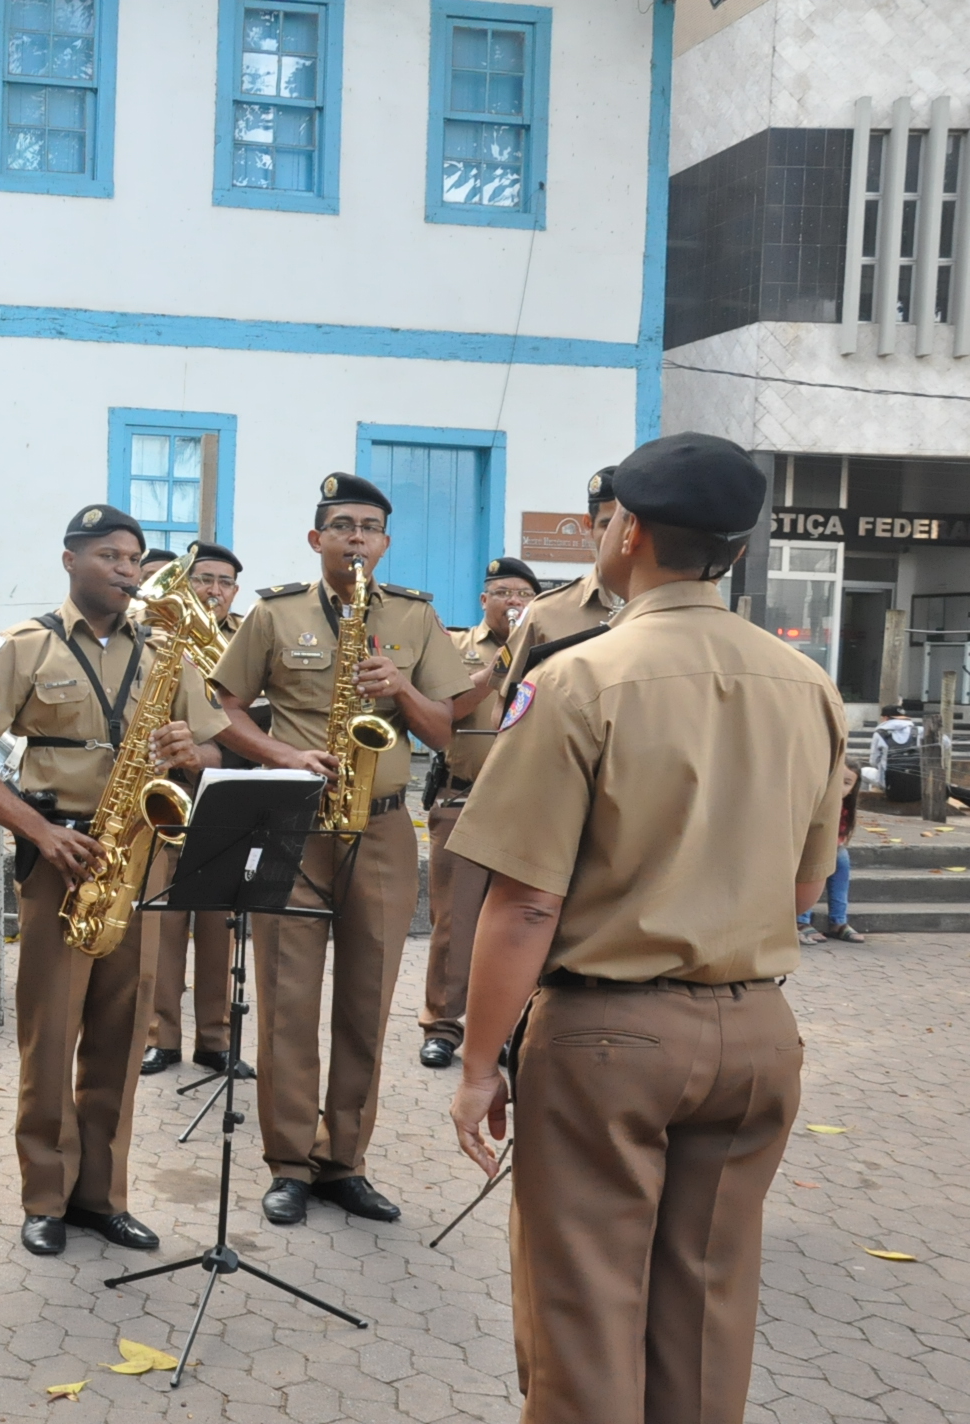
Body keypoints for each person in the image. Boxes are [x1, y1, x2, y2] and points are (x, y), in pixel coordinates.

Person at [447, 432, 844, 1424]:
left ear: (623, 532)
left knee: (582, 1315)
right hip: (755, 1032)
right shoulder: (808, 685)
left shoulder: (577, 678)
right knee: (705, 1312)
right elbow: (804, 887)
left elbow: (525, 900)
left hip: (606, 1036)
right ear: (734, 551)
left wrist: (477, 1060)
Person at [207, 473, 471, 1227]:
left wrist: (402, 688)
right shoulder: (274, 611)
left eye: (370, 527)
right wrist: (280, 754)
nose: (357, 537)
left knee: (365, 1001)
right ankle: (289, 1162)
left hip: (383, 826)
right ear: (316, 538)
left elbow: (445, 728)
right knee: (288, 999)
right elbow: (220, 707)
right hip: (292, 819)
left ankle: (345, 1161)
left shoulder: (417, 619)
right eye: (342, 525)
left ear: (385, 544)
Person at [0, 503, 229, 1256]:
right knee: (51, 1036)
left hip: (139, 856)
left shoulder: (167, 649)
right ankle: (44, 1195)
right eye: (109, 555)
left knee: (121, 1033)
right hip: (63, 855)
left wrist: (191, 752)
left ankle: (102, 1196)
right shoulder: (23, 649)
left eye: (133, 558)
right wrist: (40, 831)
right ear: (69, 560)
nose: (124, 569)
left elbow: (214, 754)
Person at [416, 556, 538, 1070]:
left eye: (522, 594)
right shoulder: (456, 649)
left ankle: (512, 1030)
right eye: (503, 592)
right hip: (462, 799)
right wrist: (503, 665)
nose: (513, 601)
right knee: (454, 922)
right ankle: (443, 1027)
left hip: (532, 808)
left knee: (522, 925)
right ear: (484, 600)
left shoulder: (558, 653)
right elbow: (449, 710)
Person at [141, 540, 246, 1078]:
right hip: (164, 796)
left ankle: (215, 1040)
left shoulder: (248, 641)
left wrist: (209, 755)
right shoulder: (151, 640)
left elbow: (265, 726)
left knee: (217, 924)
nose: (214, 590)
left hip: (224, 795)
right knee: (162, 919)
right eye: (203, 579)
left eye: (225, 581)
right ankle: (160, 1036)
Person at [502, 468, 622, 689]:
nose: (619, 535)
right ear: (588, 525)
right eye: (608, 525)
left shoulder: (670, 612)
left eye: (628, 524)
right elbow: (506, 708)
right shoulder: (545, 613)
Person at [798, 759, 863, 944]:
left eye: (847, 783)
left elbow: (839, 836)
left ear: (853, 789)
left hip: (828, 851)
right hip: (804, 850)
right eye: (837, 781)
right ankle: (801, 920)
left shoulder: (844, 809)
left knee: (841, 856)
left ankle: (838, 921)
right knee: (815, 856)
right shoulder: (814, 800)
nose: (840, 787)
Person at [869, 704, 924, 803]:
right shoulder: (920, 730)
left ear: (885, 718)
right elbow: (946, 742)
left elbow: (873, 761)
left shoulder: (879, 733)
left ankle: (866, 804)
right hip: (917, 788)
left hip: (891, 788)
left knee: (860, 772)